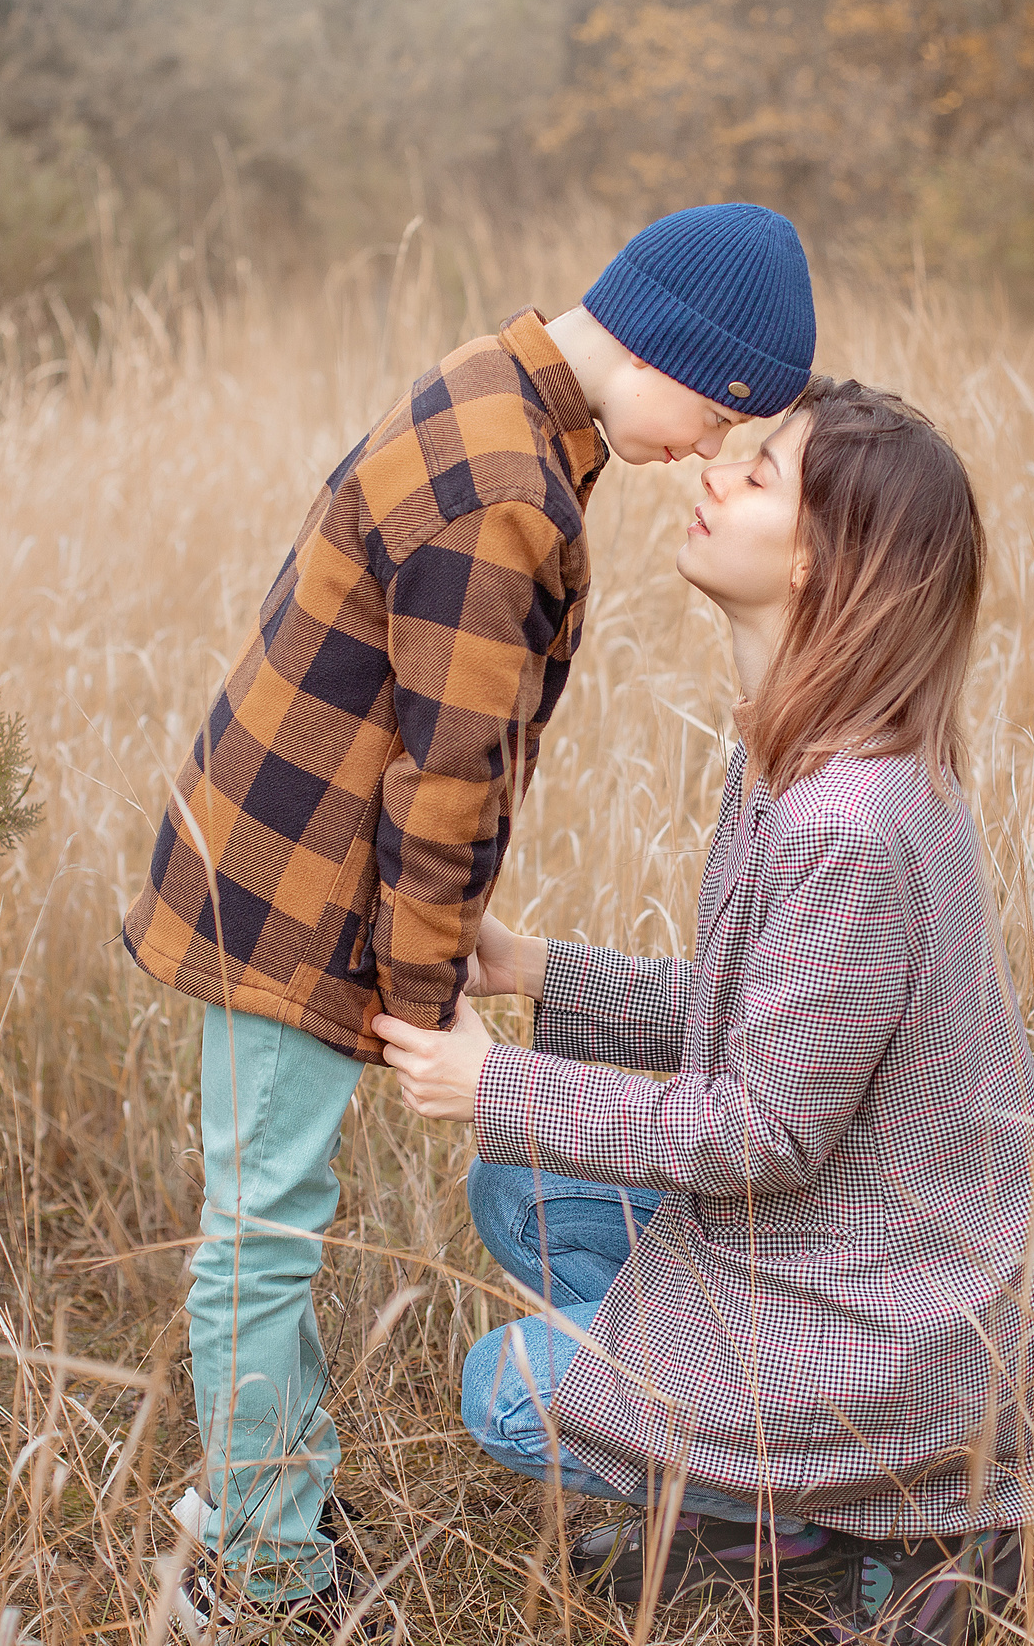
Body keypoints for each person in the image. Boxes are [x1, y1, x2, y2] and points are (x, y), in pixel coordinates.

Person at [120, 204, 817, 1632]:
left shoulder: (497, 389)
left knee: (270, 1220)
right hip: (298, 898)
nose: (702, 452)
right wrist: (429, 1000)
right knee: (261, 1236)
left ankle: (275, 1501)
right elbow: (446, 777)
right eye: (718, 412)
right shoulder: (509, 490)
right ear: (669, 343)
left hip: (282, 869)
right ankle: (267, 1569)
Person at [376, 378, 1034, 1645]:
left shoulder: (847, 820)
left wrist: (492, 1086)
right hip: (868, 1248)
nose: (714, 471)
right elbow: (763, 1028)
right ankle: (793, 1502)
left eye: (762, 474)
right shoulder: (807, 756)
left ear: (827, 567)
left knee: (505, 1392)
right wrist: (537, 971)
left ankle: (885, 1529)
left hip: (897, 1322)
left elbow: (763, 1130)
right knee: (513, 1194)